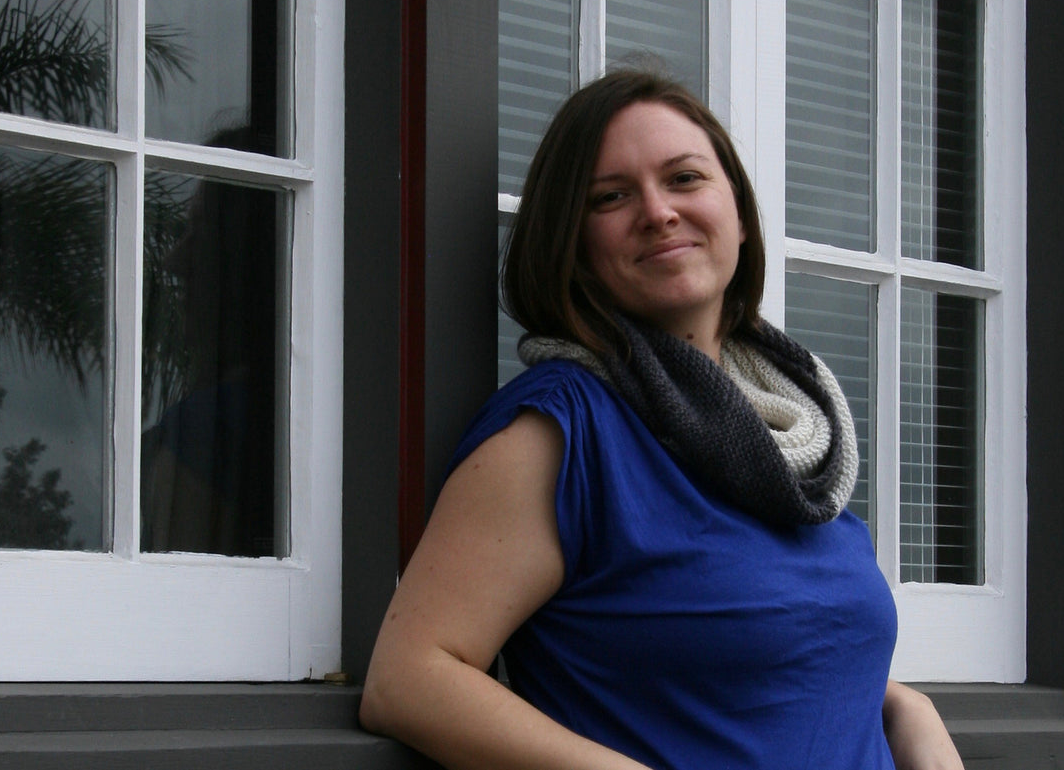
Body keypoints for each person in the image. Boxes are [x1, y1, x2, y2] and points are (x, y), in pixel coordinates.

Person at [359, 68, 964, 770]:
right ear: (573, 244)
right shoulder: (564, 431)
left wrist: (906, 709)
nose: (657, 210)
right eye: (611, 196)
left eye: (684, 178)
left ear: (738, 212)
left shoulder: (791, 440)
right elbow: (408, 679)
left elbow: (780, 666)